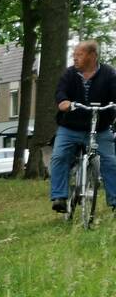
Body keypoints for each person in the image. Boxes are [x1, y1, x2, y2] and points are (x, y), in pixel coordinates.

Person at [50, 40, 116, 213]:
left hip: (99, 128)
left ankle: (115, 201)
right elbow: (60, 91)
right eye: (74, 55)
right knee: (59, 156)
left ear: (92, 56)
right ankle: (59, 197)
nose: (75, 58)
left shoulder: (109, 74)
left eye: (79, 54)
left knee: (111, 162)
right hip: (70, 127)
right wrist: (63, 101)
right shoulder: (69, 74)